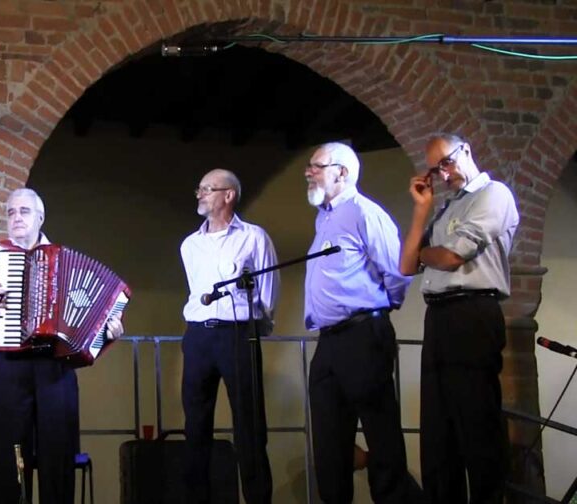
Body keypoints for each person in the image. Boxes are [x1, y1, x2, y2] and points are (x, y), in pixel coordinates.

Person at [0, 187, 123, 504]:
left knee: (58, 449)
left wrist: (109, 331)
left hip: (54, 364)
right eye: (11, 212)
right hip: (6, 363)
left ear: (40, 217)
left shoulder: (61, 259)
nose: (16, 218)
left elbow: (90, 313)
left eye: (23, 211)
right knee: (8, 451)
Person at [400, 133, 518, 503]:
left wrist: (426, 254)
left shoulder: (492, 194)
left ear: (465, 150)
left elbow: (453, 256)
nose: (444, 174)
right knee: (439, 431)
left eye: (446, 163)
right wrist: (421, 210)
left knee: (477, 425)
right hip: (438, 317)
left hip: (472, 313)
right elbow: (406, 265)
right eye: (436, 170)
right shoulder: (444, 209)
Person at [302, 142, 422, 503]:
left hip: (362, 335)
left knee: (379, 432)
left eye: (316, 166)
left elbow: (397, 272)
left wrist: (379, 311)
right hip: (329, 340)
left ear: (342, 172)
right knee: (328, 437)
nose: (308, 172)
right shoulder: (324, 217)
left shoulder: (364, 212)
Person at [180, 168, 277, 504]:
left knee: (250, 425)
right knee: (195, 425)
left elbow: (267, 292)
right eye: (199, 188)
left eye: (207, 189)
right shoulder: (190, 244)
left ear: (228, 195)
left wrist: (256, 328)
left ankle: (257, 497)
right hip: (198, 337)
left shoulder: (254, 237)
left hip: (237, 334)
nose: (200, 194)